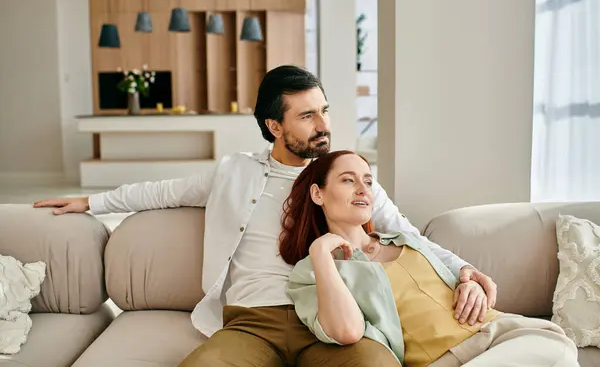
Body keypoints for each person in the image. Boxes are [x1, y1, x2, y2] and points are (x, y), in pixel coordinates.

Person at [34, 65, 498, 366]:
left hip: (331, 321)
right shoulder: (234, 172)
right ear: (275, 126)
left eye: (324, 111)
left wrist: (464, 271)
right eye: (306, 116)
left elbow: (408, 234)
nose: (324, 126)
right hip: (251, 321)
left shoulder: (345, 177)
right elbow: (162, 191)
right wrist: (89, 203)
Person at [281, 150, 580, 367]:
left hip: (501, 336)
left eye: (369, 181)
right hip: (444, 359)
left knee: (560, 351)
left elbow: (459, 271)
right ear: (318, 194)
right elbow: (347, 331)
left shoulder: (405, 240)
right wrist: (320, 254)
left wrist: (468, 279)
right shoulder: (311, 273)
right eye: (348, 180)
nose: (363, 189)